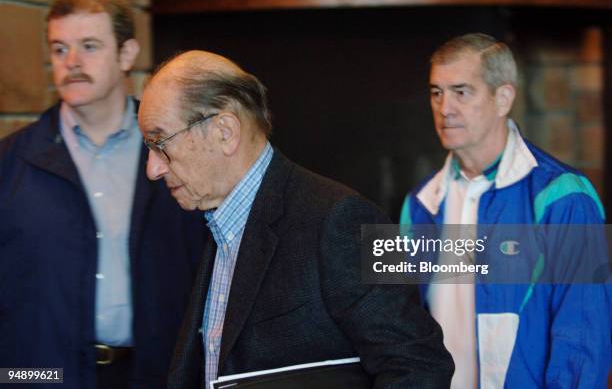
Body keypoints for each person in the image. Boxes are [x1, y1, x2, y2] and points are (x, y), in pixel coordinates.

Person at [137, 50, 454, 388]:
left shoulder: (348, 219)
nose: (152, 169)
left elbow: (420, 363)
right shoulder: (216, 228)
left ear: (225, 131)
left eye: (160, 143)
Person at [0, 0, 205, 388]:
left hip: (155, 375)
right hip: (43, 377)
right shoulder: (10, 163)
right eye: (59, 49)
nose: (72, 62)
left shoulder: (177, 152)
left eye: (89, 46)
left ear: (127, 54)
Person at [400, 33, 610, 388]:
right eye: (437, 92)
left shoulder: (563, 197)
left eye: (462, 91)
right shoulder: (420, 203)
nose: (445, 107)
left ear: (503, 98)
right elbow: (404, 330)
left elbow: (583, 336)